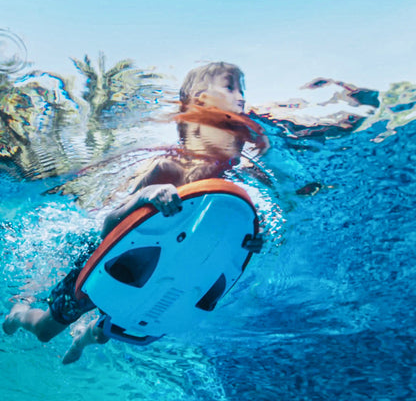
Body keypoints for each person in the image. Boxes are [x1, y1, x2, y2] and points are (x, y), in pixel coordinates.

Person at [3, 62, 269, 364]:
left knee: (120, 322)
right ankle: (20, 312)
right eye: (230, 87)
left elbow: (218, 243)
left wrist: (250, 242)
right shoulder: (167, 168)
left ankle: (86, 336)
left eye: (242, 90)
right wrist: (145, 195)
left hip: (153, 269)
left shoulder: (229, 178)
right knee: (45, 331)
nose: (241, 97)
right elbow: (109, 227)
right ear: (200, 100)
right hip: (105, 261)